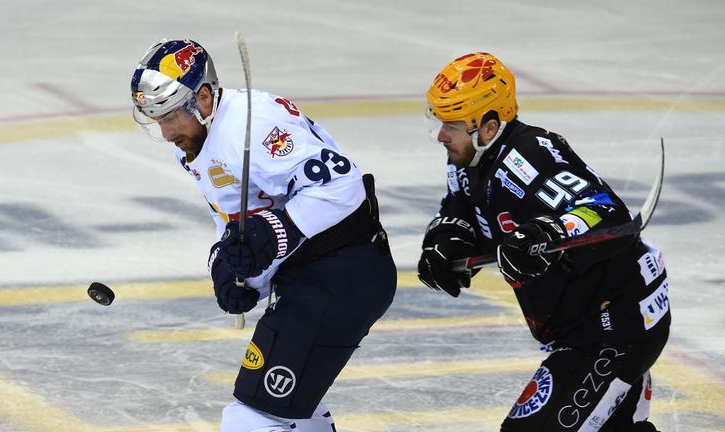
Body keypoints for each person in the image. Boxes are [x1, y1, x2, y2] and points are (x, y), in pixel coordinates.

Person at [130, 39, 396, 432]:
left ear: (203, 99)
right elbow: (230, 217)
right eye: (157, 119)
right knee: (295, 414)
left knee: (249, 419)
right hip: (314, 278)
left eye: (170, 116)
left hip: (343, 274)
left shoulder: (255, 126)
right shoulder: (193, 141)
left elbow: (344, 186)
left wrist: (276, 231)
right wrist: (230, 269)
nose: (166, 132)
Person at [417, 52, 669, 432]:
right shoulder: (468, 160)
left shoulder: (527, 156)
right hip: (582, 326)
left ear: (488, 127)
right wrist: (446, 238)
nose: (440, 135)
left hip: (615, 324)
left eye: (451, 124)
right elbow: (459, 207)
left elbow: (605, 212)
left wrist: (546, 232)